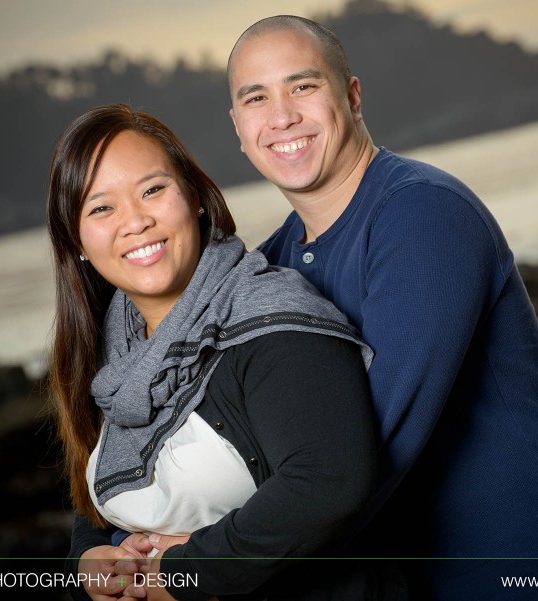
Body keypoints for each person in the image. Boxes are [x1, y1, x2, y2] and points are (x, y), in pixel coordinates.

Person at [77, 15, 538, 601]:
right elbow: (199, 437)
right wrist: (112, 545)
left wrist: (205, 563)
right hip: (405, 581)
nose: (282, 115)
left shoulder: (422, 214)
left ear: (352, 96)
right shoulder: (272, 268)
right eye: (256, 97)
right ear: (239, 128)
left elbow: (357, 457)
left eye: (303, 86)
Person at [47, 103, 394, 601]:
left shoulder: (272, 320)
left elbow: (328, 483)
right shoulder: (112, 350)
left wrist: (182, 574)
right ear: (77, 240)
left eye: (153, 190)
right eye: (101, 208)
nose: (136, 221)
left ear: (195, 197)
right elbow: (99, 499)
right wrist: (88, 561)